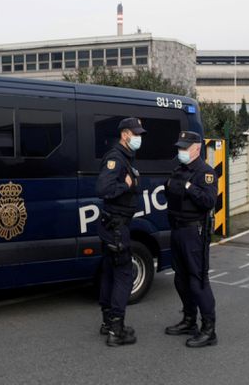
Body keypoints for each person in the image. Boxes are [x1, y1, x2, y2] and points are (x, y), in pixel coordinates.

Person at [163, 131, 218, 347]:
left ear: (196, 148)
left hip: (194, 232)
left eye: (185, 147)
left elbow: (209, 201)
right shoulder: (179, 170)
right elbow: (169, 192)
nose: (181, 151)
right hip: (177, 229)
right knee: (180, 279)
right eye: (180, 147)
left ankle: (209, 330)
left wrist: (188, 187)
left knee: (198, 281)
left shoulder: (206, 173)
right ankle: (189, 320)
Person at [94, 117, 145, 347]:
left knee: (109, 272)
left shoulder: (126, 157)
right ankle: (116, 330)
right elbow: (103, 189)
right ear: (125, 135)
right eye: (136, 134)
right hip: (116, 227)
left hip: (113, 225)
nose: (139, 138)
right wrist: (126, 185)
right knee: (124, 275)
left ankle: (107, 322)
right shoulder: (116, 158)